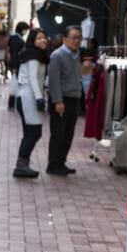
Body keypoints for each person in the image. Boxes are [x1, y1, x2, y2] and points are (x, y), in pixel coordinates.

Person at [13, 27, 50, 178]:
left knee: (30, 132)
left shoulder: (37, 54)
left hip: (26, 96)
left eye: (44, 37)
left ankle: (22, 164)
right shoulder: (34, 55)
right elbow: (33, 78)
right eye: (39, 38)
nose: (43, 40)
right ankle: (21, 165)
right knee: (34, 132)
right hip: (29, 96)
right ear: (33, 41)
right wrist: (39, 98)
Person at [47, 25, 84, 175]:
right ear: (65, 39)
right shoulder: (58, 55)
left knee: (68, 134)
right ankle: (53, 165)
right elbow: (54, 80)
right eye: (73, 37)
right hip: (62, 99)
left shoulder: (76, 55)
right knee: (58, 134)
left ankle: (61, 162)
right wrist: (58, 101)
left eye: (79, 38)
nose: (76, 40)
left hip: (74, 99)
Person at [6, 21, 29, 110]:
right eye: (25, 30)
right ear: (21, 30)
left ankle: (13, 104)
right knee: (15, 85)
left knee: (15, 85)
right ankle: (12, 105)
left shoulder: (14, 37)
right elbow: (15, 54)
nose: (25, 32)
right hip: (16, 65)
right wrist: (14, 67)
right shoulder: (15, 39)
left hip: (16, 65)